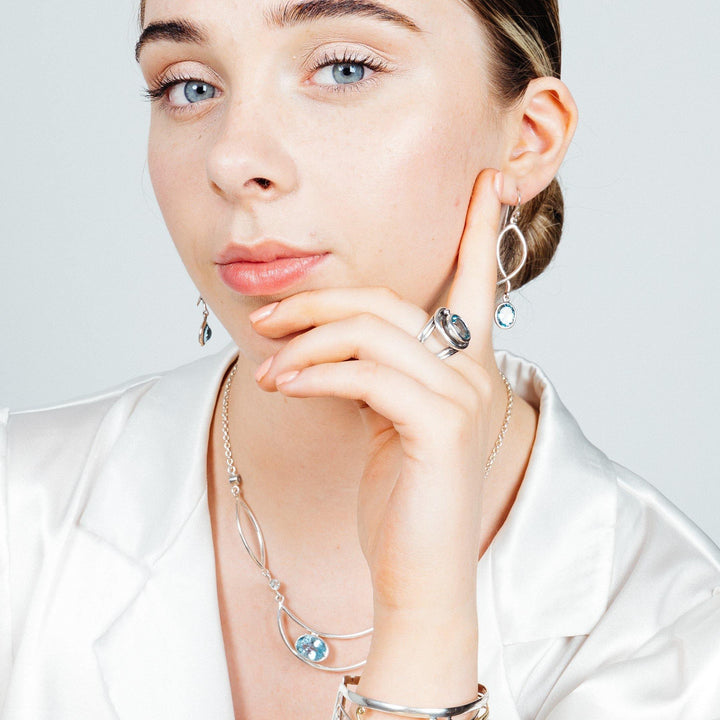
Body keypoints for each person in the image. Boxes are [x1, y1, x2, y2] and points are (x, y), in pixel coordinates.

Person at [1, 1, 719, 719]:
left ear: (528, 139)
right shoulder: (19, 512)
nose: (232, 159)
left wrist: (423, 629)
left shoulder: (681, 644)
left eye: (345, 69)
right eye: (188, 85)